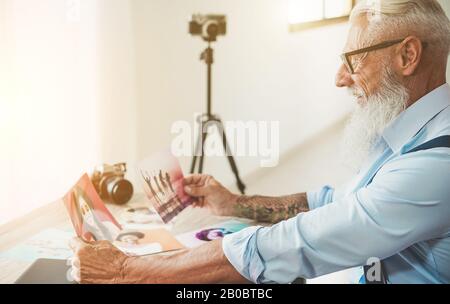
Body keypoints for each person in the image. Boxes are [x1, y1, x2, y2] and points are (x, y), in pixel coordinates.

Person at [70, 0, 450, 284]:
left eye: (353, 60)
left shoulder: (436, 165)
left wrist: (125, 271)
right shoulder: (410, 131)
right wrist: (235, 203)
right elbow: (334, 203)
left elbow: (300, 243)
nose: (340, 78)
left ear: (407, 55)